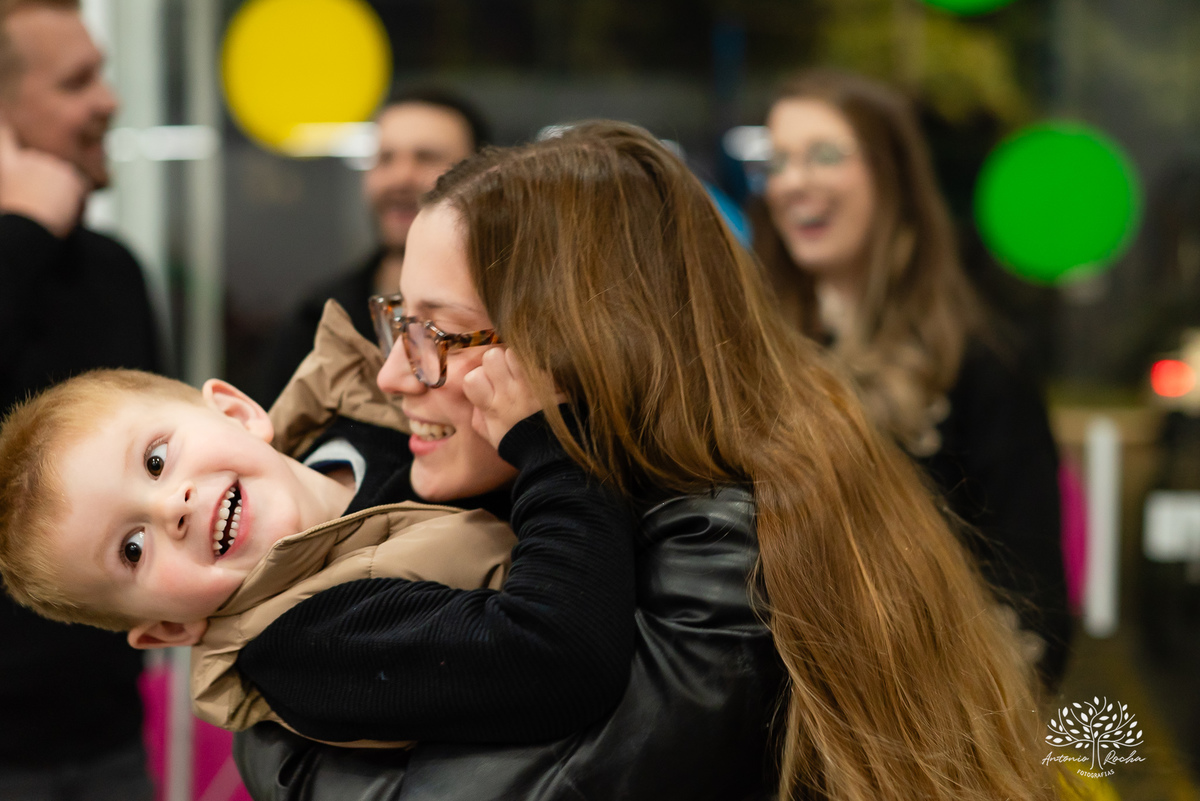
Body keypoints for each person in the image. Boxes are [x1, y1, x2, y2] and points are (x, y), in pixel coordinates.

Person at [232, 121, 1061, 801]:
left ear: (579, 347)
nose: (391, 374)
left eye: (438, 334)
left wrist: (277, 732)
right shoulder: (640, 489)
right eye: (397, 322)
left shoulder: (724, 539)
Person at [0, 303, 518, 742]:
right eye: (132, 548)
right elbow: (541, 648)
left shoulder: (373, 403)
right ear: (171, 628)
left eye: (155, 461)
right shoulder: (311, 650)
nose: (171, 509)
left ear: (236, 413)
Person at [750, 69, 1072, 689]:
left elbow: (1037, 614)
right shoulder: (751, 353)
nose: (794, 182)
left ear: (891, 175)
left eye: (824, 156)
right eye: (778, 161)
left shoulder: (978, 361)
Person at [0, 1, 160, 797]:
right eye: (76, 82)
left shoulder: (113, 270)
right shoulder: (20, 256)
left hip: (108, 732)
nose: (110, 101)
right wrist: (21, 228)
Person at [258, 87, 490, 405]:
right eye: (385, 159)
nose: (401, 177)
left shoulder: (507, 312)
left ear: (482, 177)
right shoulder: (319, 319)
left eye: (427, 158)